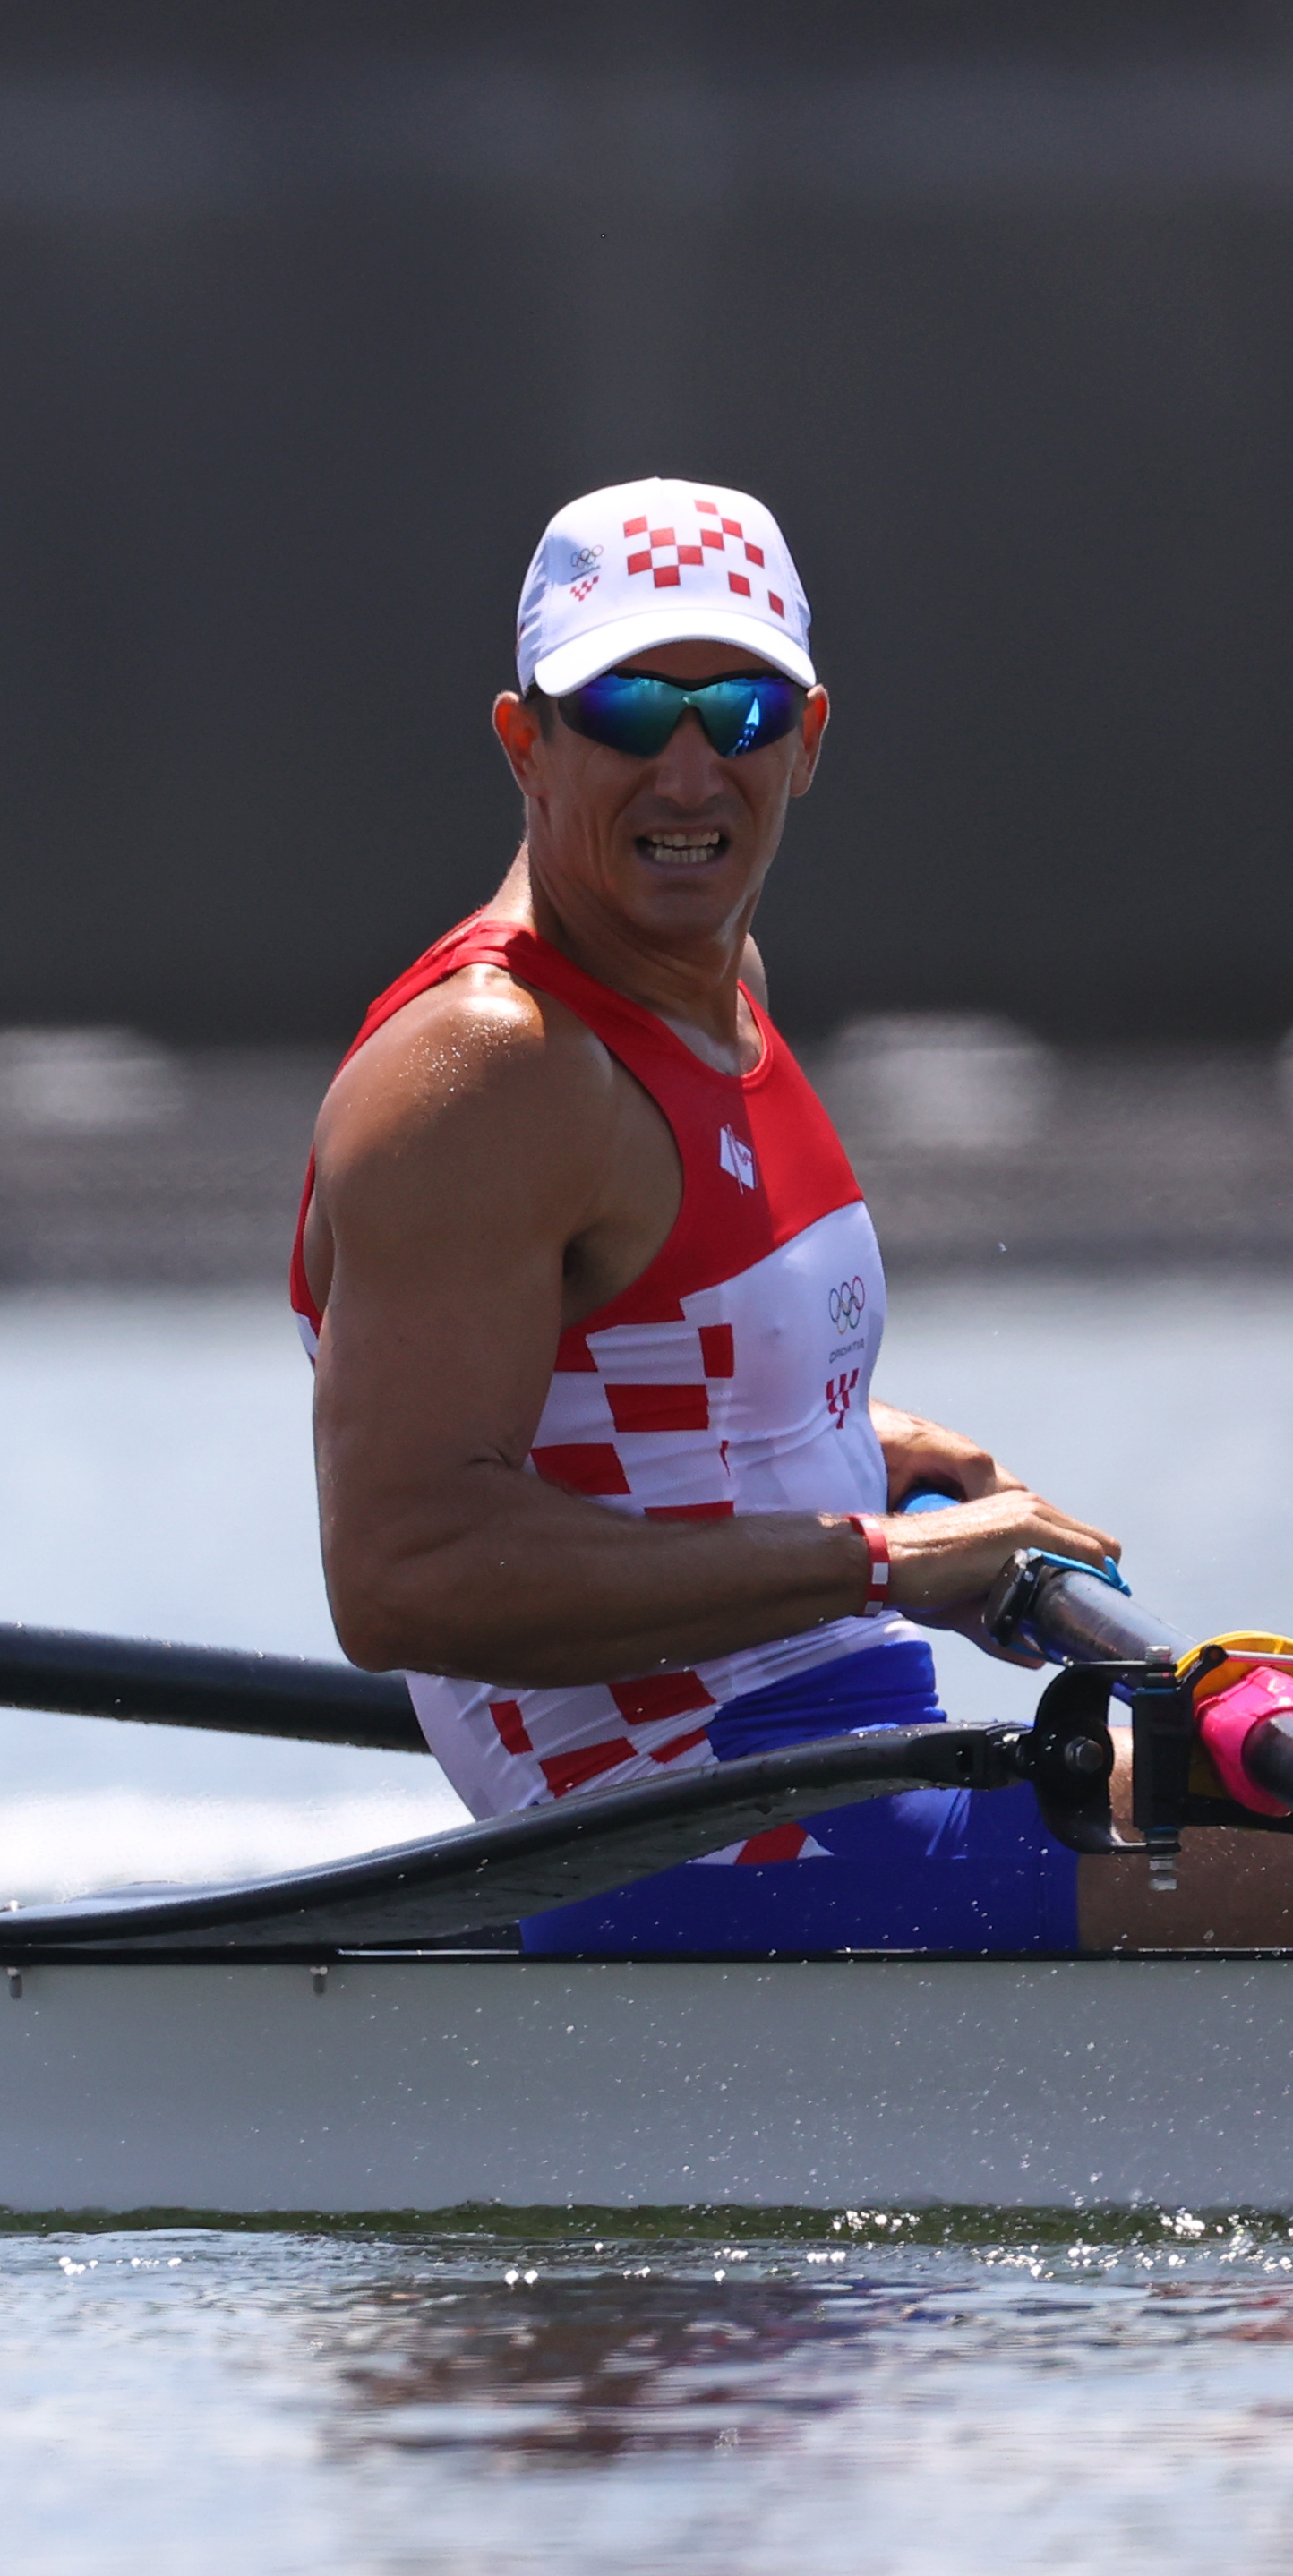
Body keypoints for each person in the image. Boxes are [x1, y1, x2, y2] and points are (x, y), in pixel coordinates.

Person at [291, 476, 1190, 1954]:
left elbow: (626, 1374)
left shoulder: (720, 988)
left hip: (831, 1768)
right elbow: (405, 1572)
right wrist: (882, 1557)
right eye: (633, 711)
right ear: (527, 741)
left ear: (813, 739)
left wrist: (848, 1437)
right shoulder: (487, 1073)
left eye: (745, 716)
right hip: (695, 1829)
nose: (692, 773)